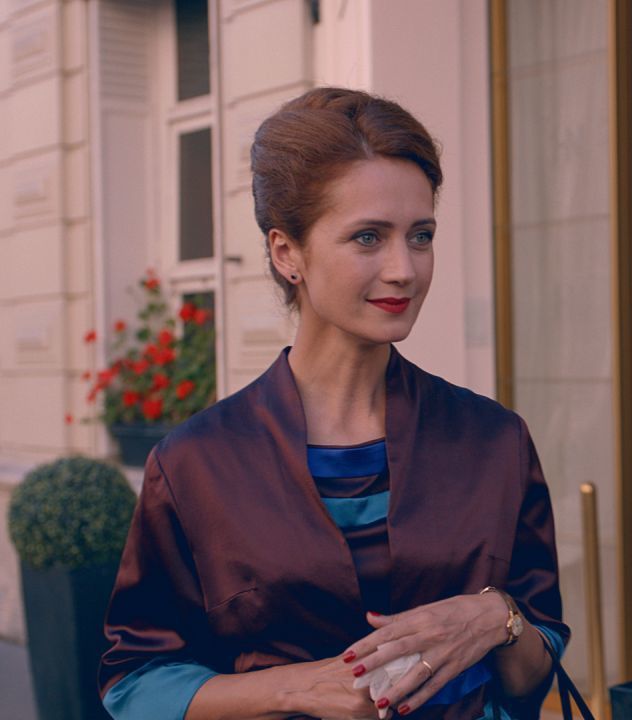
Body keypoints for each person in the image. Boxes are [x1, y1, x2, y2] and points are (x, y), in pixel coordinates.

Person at [98, 87, 567, 720]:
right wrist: (294, 689)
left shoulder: (494, 441)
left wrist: (498, 619)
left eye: (421, 235)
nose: (404, 269)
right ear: (286, 252)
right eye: (368, 237)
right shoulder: (195, 465)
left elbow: (536, 666)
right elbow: (134, 680)